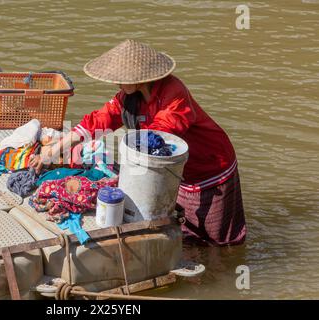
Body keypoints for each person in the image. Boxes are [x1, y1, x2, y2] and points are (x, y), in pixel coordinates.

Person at [30, 39, 246, 246]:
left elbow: (163, 133)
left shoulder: (173, 93)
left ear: (139, 79)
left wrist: (128, 169)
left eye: (121, 79)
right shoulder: (128, 97)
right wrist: (53, 151)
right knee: (185, 230)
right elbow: (98, 121)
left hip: (210, 166)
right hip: (177, 171)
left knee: (218, 239)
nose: (117, 83)